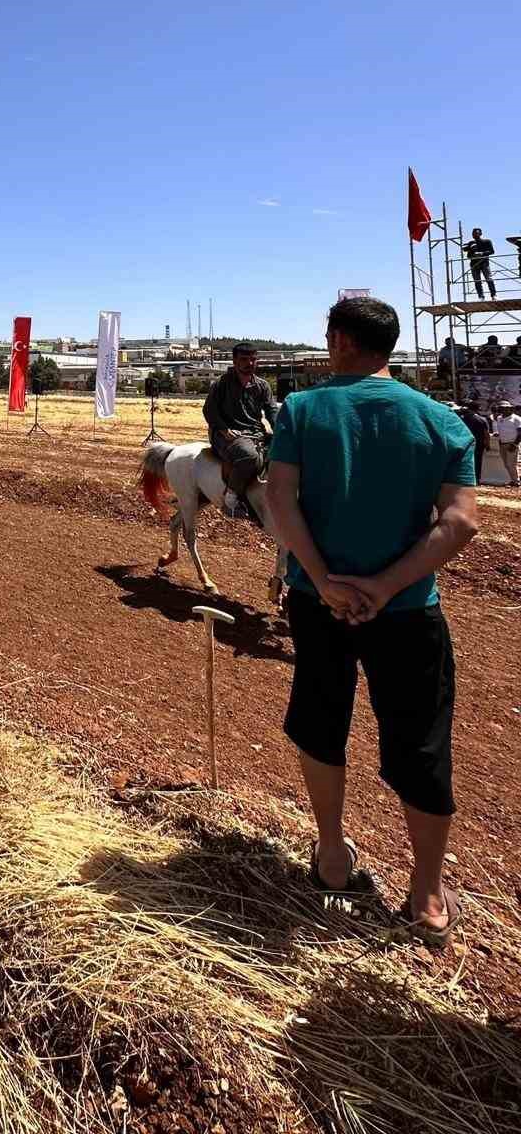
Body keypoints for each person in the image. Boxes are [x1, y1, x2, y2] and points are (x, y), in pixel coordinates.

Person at [266, 297, 477, 947]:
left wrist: (327, 581)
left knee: (321, 717)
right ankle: (428, 893)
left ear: (339, 341)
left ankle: (332, 854)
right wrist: (385, 586)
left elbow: (279, 502)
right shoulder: (444, 422)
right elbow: (461, 522)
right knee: (419, 741)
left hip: (319, 603)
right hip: (408, 609)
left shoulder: (302, 409)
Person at [203, 344, 279, 517]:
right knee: (250, 456)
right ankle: (231, 498)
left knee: (285, 448)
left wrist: (281, 431)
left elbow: (272, 411)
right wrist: (223, 429)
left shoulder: (262, 386)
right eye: (244, 359)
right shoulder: (221, 384)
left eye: (253, 359)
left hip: (255, 433)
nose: (249, 363)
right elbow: (209, 411)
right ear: (234, 361)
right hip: (227, 434)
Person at [459, 400, 490, 484]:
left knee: (467, 461)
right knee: (478, 461)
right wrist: (487, 444)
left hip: (466, 442)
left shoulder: (463, 418)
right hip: (479, 444)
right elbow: (486, 433)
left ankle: (467, 478)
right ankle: (477, 479)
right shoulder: (482, 419)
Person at [463, 228, 496, 300]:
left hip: (484, 263)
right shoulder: (471, 243)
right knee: (477, 281)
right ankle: (481, 296)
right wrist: (474, 255)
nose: (475, 235)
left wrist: (482, 253)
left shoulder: (487, 241)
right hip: (474, 264)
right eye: (473, 234)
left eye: (476, 233)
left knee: (489, 278)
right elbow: (468, 255)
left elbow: (492, 251)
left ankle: (493, 295)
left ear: (480, 234)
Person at [495, 401, 521, 488]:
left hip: (511, 443)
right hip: (502, 443)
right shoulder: (499, 418)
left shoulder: (516, 418)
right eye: (502, 408)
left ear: (510, 409)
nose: (505, 410)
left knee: (511, 464)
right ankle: (513, 480)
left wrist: (515, 444)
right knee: (506, 464)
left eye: (507, 408)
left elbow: (520, 433)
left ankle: (516, 481)